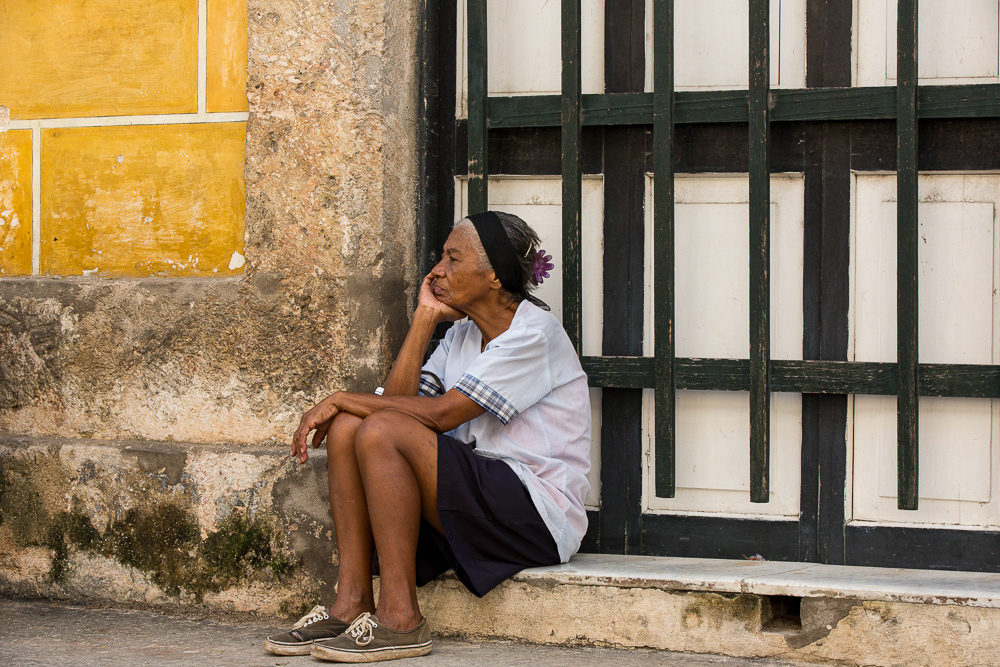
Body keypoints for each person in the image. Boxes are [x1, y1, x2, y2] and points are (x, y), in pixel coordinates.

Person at [264, 211, 592, 662]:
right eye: (441, 257)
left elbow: (437, 415)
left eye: (453, 259)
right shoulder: (460, 335)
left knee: (370, 421)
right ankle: (351, 603)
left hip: (534, 515)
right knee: (348, 429)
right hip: (474, 501)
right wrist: (424, 319)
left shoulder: (534, 334)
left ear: (494, 276)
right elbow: (396, 405)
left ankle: (401, 619)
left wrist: (342, 396)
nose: (437, 270)